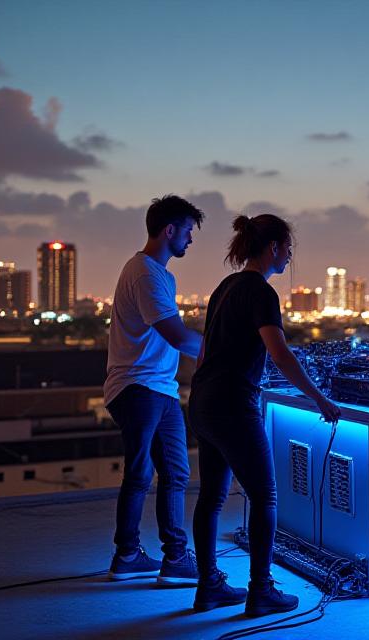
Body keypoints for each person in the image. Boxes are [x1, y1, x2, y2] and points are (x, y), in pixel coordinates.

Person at [189, 213, 341, 616]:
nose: (290, 256)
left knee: (211, 497)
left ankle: (208, 587)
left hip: (203, 399)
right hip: (232, 405)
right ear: (273, 247)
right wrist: (319, 399)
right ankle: (261, 591)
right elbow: (280, 351)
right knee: (265, 495)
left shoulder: (226, 286)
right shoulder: (260, 292)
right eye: (288, 248)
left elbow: (206, 352)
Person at [104, 195, 205, 584]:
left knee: (173, 472)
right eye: (188, 232)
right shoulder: (145, 273)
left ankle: (158, 557)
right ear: (170, 230)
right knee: (145, 472)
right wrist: (222, 350)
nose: (190, 241)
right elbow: (177, 335)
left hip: (156, 387)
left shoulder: (159, 274)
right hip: (138, 385)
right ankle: (140, 554)